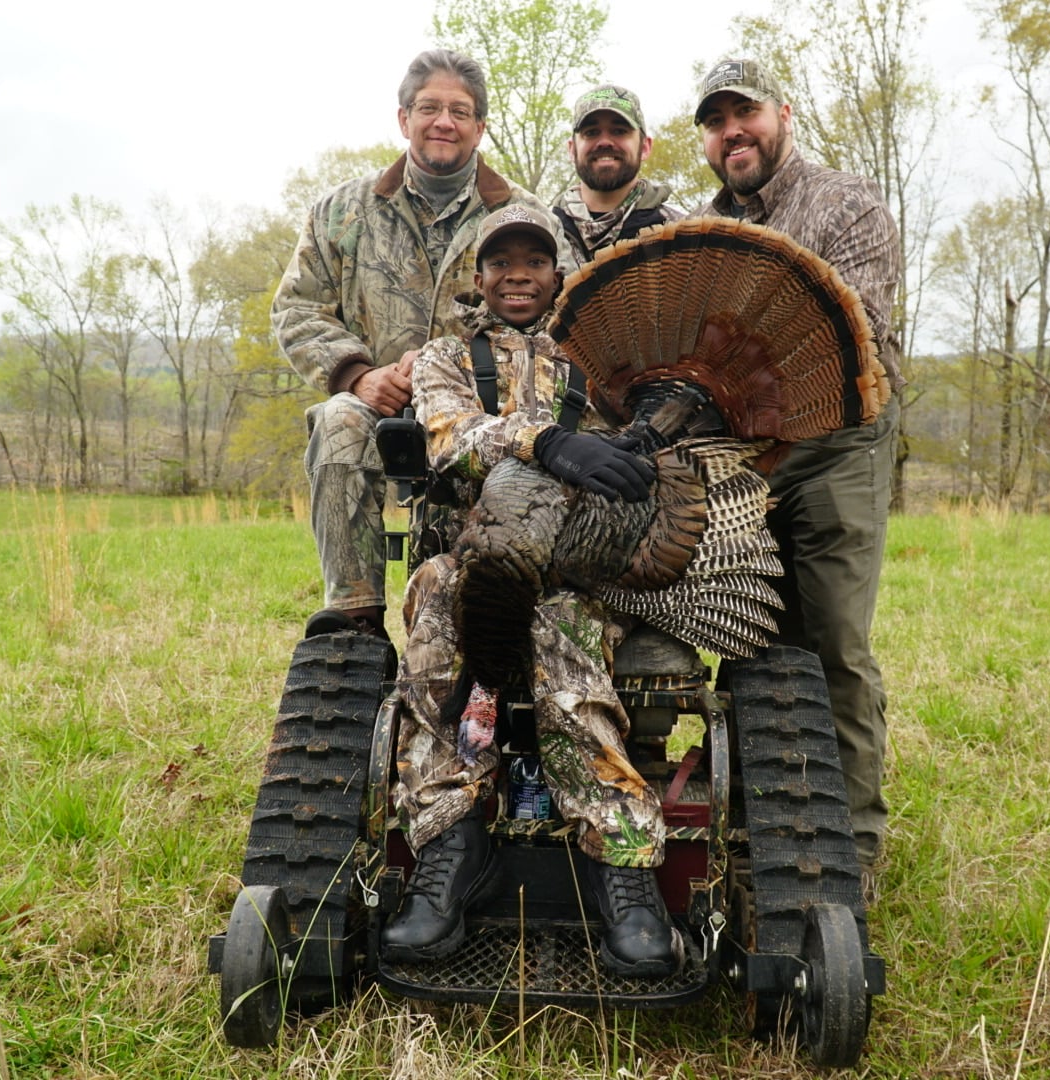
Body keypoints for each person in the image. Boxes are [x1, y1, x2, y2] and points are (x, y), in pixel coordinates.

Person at [377, 205, 681, 978]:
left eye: (534, 261)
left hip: (577, 564)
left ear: (557, 274)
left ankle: (621, 861)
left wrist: (638, 440)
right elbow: (445, 435)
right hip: (468, 557)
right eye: (501, 262)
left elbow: (645, 451)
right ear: (479, 278)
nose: (518, 275)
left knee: (561, 623)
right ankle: (451, 847)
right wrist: (542, 440)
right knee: (439, 598)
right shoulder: (446, 356)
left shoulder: (596, 359)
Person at [694, 58, 906, 896]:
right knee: (749, 634)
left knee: (834, 642)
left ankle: (854, 846)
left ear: (783, 113)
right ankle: (766, 822)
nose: (732, 132)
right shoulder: (705, 227)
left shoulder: (845, 203)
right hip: (748, 451)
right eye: (715, 122)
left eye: (744, 113)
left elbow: (857, 329)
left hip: (838, 441)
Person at [270, 49, 563, 649]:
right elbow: (296, 308)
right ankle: (355, 624)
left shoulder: (526, 215)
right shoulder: (341, 211)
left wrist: (474, 364)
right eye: (429, 108)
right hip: (385, 405)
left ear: (480, 126)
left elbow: (564, 313)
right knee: (338, 421)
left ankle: (519, 617)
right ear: (404, 118)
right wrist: (358, 375)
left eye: (460, 111)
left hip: (489, 411)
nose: (443, 122)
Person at [552, 83, 685, 265]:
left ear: (645, 147)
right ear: (571, 149)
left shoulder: (682, 236)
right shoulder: (542, 232)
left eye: (619, 131)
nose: (604, 142)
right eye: (591, 132)